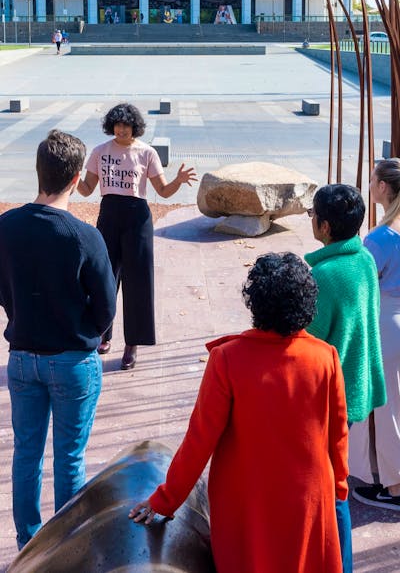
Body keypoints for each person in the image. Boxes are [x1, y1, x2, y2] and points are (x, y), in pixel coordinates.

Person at [129, 252, 349, 573]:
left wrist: (165, 499)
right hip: (308, 499)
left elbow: (199, 441)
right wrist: (339, 487)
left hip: (247, 503)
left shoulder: (228, 359)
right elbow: (338, 435)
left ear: (255, 302)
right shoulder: (325, 356)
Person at [0, 130, 116, 550]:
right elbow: (106, 307)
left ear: (38, 171)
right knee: (69, 457)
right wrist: (88, 331)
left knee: (26, 454)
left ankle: (28, 544)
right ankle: (66, 547)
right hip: (72, 359)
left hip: (22, 355)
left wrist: (20, 312)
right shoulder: (84, 236)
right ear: (74, 180)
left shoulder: (6, 226)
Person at [77, 103, 197, 370]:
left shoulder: (146, 153)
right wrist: (71, 177)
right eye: (117, 124)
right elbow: (86, 190)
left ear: (135, 127)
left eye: (126, 125)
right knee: (103, 277)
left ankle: (133, 343)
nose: (121, 129)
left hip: (137, 218)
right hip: (108, 215)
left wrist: (177, 180)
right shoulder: (100, 151)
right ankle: (102, 334)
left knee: (138, 281)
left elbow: (163, 191)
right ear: (111, 126)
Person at [305, 184, 386, 573]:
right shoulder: (364, 259)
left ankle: (341, 564)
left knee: (332, 489)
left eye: (311, 215)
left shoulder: (324, 275)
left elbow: (306, 341)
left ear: (323, 225)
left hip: (326, 396)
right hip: (354, 386)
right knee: (333, 480)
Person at [351, 158, 400, 510]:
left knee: (386, 407)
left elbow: (361, 283)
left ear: (383, 187)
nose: (369, 184)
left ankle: (394, 489)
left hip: (386, 321)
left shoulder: (381, 237)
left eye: (372, 179)